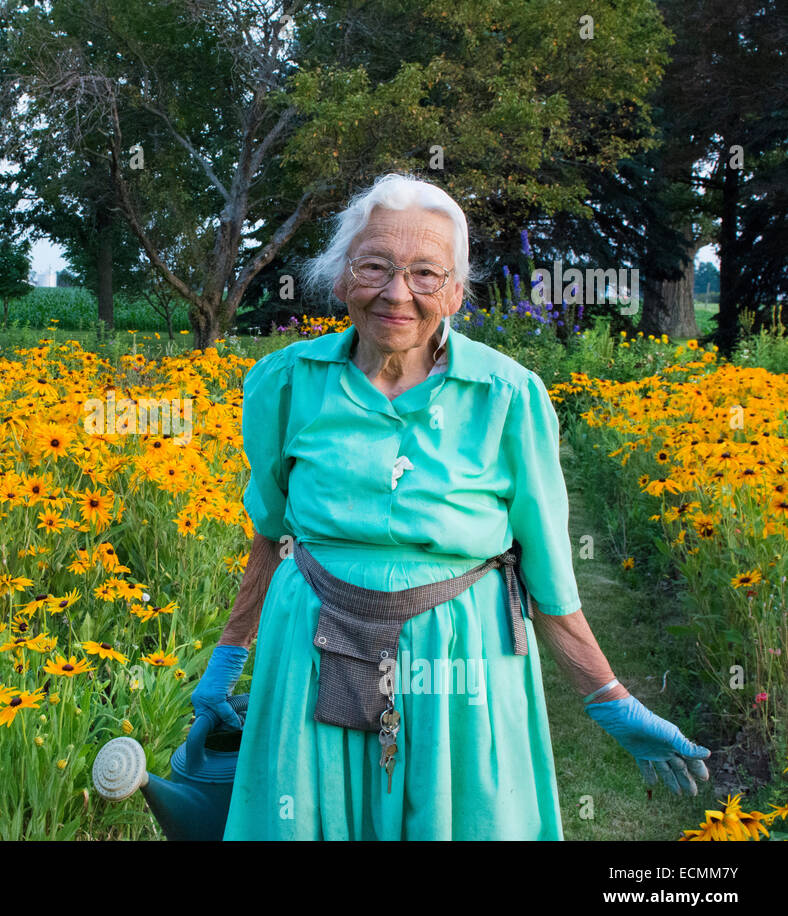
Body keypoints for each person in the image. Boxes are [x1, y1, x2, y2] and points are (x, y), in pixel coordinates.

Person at [194, 173, 710, 841]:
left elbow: (548, 572)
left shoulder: (508, 396)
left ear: (457, 292)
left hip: (460, 668)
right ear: (343, 277)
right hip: (311, 653)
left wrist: (607, 694)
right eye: (374, 265)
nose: (396, 292)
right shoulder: (286, 383)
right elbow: (270, 533)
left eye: (425, 273)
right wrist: (228, 657)